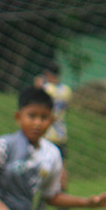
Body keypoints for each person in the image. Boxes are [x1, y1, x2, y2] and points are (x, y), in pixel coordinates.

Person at [34, 62, 72, 190]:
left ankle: (42, 197)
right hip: (61, 133)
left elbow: (37, 96)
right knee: (62, 167)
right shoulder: (66, 90)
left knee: (43, 165)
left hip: (48, 133)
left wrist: (38, 84)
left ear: (48, 74)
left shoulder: (47, 89)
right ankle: (63, 195)